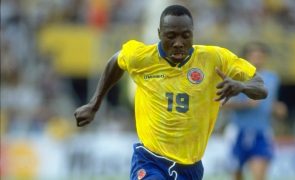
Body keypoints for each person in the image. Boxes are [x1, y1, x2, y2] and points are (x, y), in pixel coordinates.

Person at [74, 5, 268, 180]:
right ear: (159, 33)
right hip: (150, 159)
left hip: (190, 167)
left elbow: (260, 86)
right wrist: (94, 104)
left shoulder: (214, 58)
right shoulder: (142, 58)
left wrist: (242, 86)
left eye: (185, 36)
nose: (178, 42)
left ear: (193, 34)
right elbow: (116, 61)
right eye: (171, 35)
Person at [223, 42, 287, 180]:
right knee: (237, 175)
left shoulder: (272, 78)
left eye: (261, 55)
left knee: (259, 176)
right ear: (246, 58)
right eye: (254, 55)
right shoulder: (236, 76)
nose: (258, 59)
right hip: (238, 131)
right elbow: (222, 103)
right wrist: (245, 104)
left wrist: (277, 107)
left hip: (261, 132)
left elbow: (271, 101)